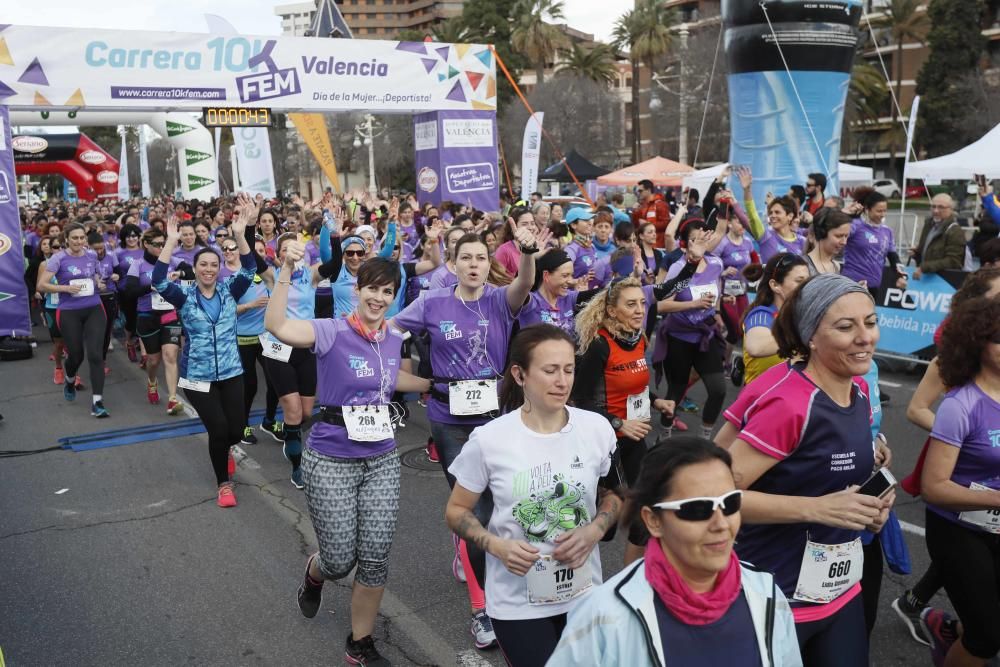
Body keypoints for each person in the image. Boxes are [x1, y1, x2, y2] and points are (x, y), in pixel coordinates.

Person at [265, 252, 432, 667]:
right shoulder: (331, 331)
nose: (379, 297)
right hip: (331, 457)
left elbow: (392, 378)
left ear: (394, 298)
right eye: (372, 288)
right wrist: (285, 272)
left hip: (382, 459)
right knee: (339, 561)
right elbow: (277, 326)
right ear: (357, 290)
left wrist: (435, 384)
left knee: (375, 557)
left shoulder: (393, 339)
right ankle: (315, 573)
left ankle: (360, 644)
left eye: (388, 291)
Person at [723, 273, 894, 665]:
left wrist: (874, 501)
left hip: (841, 590)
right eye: (845, 327)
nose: (865, 337)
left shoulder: (860, 389)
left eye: (870, 322)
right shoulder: (791, 404)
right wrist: (816, 508)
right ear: (811, 336)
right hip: (774, 596)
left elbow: (838, 471)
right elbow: (718, 496)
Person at [391, 223, 545, 649]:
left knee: (499, 504)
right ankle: (482, 609)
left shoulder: (499, 299)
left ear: (488, 264)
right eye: (467, 258)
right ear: (454, 264)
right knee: (471, 508)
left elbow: (524, 283)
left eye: (481, 258)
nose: (475, 265)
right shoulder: (432, 302)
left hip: (495, 417)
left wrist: (528, 254)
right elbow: (388, 331)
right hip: (448, 419)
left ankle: (477, 555)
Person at [445, 325, 623, 667]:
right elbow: (456, 511)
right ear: (520, 374)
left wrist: (595, 530)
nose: (562, 381)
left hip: (584, 594)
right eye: (550, 370)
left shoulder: (597, 429)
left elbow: (615, 495)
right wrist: (497, 546)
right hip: (518, 604)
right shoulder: (489, 440)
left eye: (569, 370)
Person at [548, 437, 803, 667]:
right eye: (697, 509)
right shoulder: (603, 618)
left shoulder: (766, 594)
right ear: (653, 521)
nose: (721, 524)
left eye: (730, 503)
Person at [152, 197, 256, 507]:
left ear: (219, 268)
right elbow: (158, 280)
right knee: (219, 429)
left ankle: (225, 450)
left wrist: (239, 234)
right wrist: (170, 242)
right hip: (197, 377)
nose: (209, 269)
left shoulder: (229, 289)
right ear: (195, 269)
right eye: (203, 265)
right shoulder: (183, 295)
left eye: (214, 265)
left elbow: (251, 268)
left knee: (236, 430)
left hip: (231, 372)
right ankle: (223, 483)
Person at [919, 296, 1000, 666]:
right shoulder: (961, 404)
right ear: (978, 343)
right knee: (986, 637)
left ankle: (947, 633)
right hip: (957, 527)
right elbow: (933, 487)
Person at [572, 277, 676, 565]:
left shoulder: (639, 339)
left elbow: (635, 384)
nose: (640, 310)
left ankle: (632, 581)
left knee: (646, 506)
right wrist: (619, 424)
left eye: (642, 303)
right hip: (604, 442)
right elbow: (580, 401)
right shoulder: (599, 345)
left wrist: (656, 400)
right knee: (608, 523)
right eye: (631, 304)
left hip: (633, 439)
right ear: (612, 311)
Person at [263, 230, 342, 488]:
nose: (293, 253)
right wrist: (247, 230)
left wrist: (336, 237)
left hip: (306, 346)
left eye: (297, 249)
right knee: (293, 409)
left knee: (306, 412)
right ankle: (298, 465)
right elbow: (249, 258)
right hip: (277, 349)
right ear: (279, 255)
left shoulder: (311, 275)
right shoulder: (272, 276)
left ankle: (291, 435)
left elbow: (335, 264)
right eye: (286, 249)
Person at [653, 218, 727, 441]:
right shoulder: (677, 267)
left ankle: (705, 438)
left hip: (706, 335)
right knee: (675, 393)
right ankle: (664, 435)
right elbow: (661, 305)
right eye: (693, 239)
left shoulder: (716, 263)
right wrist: (693, 304)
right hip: (679, 338)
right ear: (684, 244)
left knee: (718, 390)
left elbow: (717, 290)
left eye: (703, 237)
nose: (699, 243)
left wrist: (716, 312)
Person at [37, 222, 109, 417]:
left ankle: (97, 402)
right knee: (76, 355)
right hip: (69, 310)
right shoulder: (58, 259)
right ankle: (69, 379)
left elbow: (94, 276)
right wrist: (65, 288)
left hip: (94, 308)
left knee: (95, 355)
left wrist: (99, 283)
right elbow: (42, 285)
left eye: (82, 238)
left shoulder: (91, 255)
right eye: (75, 238)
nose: (79, 241)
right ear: (66, 239)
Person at [125, 227, 184, 414]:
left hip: (169, 313)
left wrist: (180, 275)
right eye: (157, 244)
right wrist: (152, 287)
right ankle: (152, 381)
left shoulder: (172, 261)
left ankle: (173, 399)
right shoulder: (138, 264)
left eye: (163, 244)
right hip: (147, 315)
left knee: (170, 355)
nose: (161, 247)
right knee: (153, 360)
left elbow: (191, 271)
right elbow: (130, 291)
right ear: (146, 244)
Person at [740, 253, 810, 387]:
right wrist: (806, 333)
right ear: (775, 285)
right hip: (760, 400)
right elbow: (756, 348)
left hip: (789, 397)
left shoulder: (799, 315)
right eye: (799, 281)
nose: (806, 287)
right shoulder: (761, 314)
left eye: (807, 281)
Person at [841, 190, 907, 294]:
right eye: (879, 211)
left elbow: (893, 257)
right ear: (867, 209)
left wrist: (901, 276)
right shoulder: (855, 225)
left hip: (874, 285)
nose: (883, 214)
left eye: (885, 210)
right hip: (852, 283)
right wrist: (845, 214)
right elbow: (836, 231)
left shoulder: (887, 231)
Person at [737, 167, 806, 262]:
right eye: (771, 212)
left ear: (789, 216)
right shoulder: (765, 236)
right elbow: (753, 215)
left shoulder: (802, 241)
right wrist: (747, 190)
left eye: (777, 212)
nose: (772, 215)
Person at [911, 194, 968, 279]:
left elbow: (954, 261)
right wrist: (916, 254)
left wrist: (925, 267)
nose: (936, 211)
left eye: (941, 207)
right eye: (933, 207)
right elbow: (924, 251)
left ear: (950, 209)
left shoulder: (955, 231)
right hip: (924, 278)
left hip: (944, 281)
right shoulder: (928, 225)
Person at [804, 209, 851, 276]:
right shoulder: (802, 266)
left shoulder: (836, 266)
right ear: (822, 233)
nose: (844, 242)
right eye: (838, 236)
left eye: (846, 236)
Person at [494, 206, 538, 278]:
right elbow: (496, 279)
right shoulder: (504, 250)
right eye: (524, 224)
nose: (530, 227)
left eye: (532, 223)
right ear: (514, 227)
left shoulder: (538, 247)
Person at [632, 179, 671, 248]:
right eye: (638, 191)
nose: (639, 193)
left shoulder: (660, 204)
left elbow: (666, 224)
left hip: (658, 245)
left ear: (649, 190)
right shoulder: (642, 205)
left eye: (640, 191)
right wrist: (635, 212)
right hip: (644, 245)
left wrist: (648, 224)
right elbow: (636, 225)